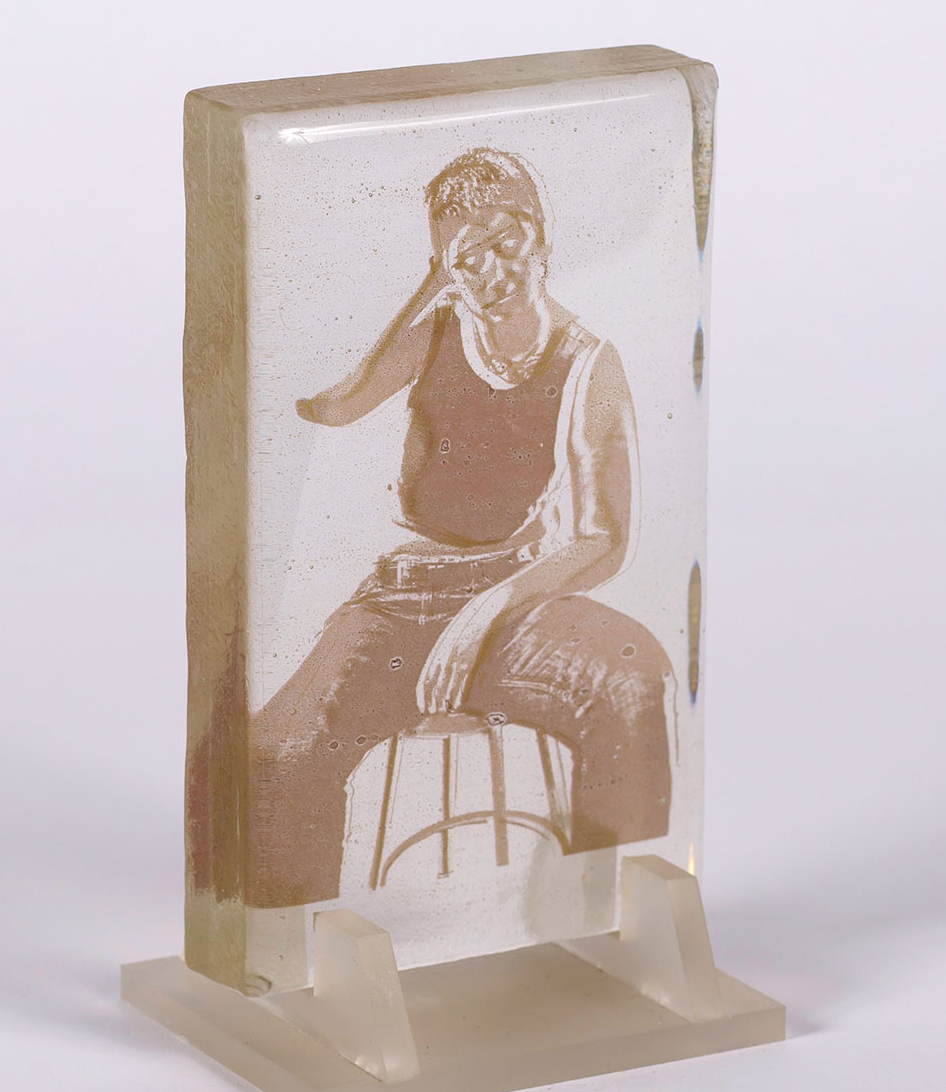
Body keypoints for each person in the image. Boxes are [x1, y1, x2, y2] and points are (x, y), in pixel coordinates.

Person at [249, 147, 673, 908]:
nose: (492, 272)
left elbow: (605, 537)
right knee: (279, 749)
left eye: (506, 242)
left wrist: (484, 614)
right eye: (467, 259)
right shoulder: (436, 333)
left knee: (632, 678)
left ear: (540, 235)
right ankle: (291, 941)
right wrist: (429, 284)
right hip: (404, 602)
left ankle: (603, 916)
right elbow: (335, 407)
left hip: (517, 601)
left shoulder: (588, 363)